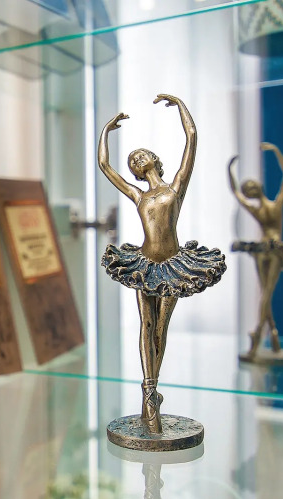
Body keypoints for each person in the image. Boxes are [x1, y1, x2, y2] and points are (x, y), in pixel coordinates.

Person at [98, 94, 226, 433]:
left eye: (141, 154)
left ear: (154, 159)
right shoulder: (138, 195)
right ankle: (149, 392)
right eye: (133, 159)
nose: (137, 159)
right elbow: (104, 167)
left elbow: (191, 138)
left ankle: (151, 395)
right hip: (144, 264)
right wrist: (106, 131)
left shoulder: (175, 188)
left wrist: (179, 104)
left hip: (173, 266)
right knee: (146, 324)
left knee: (160, 328)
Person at [228, 142, 283, 361]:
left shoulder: (262, 208)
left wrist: (230, 169)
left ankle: (269, 333)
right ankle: (260, 334)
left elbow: (237, 192)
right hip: (270, 250)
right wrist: (277, 153)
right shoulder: (274, 206)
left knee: (265, 293)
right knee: (266, 293)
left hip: (263, 250)